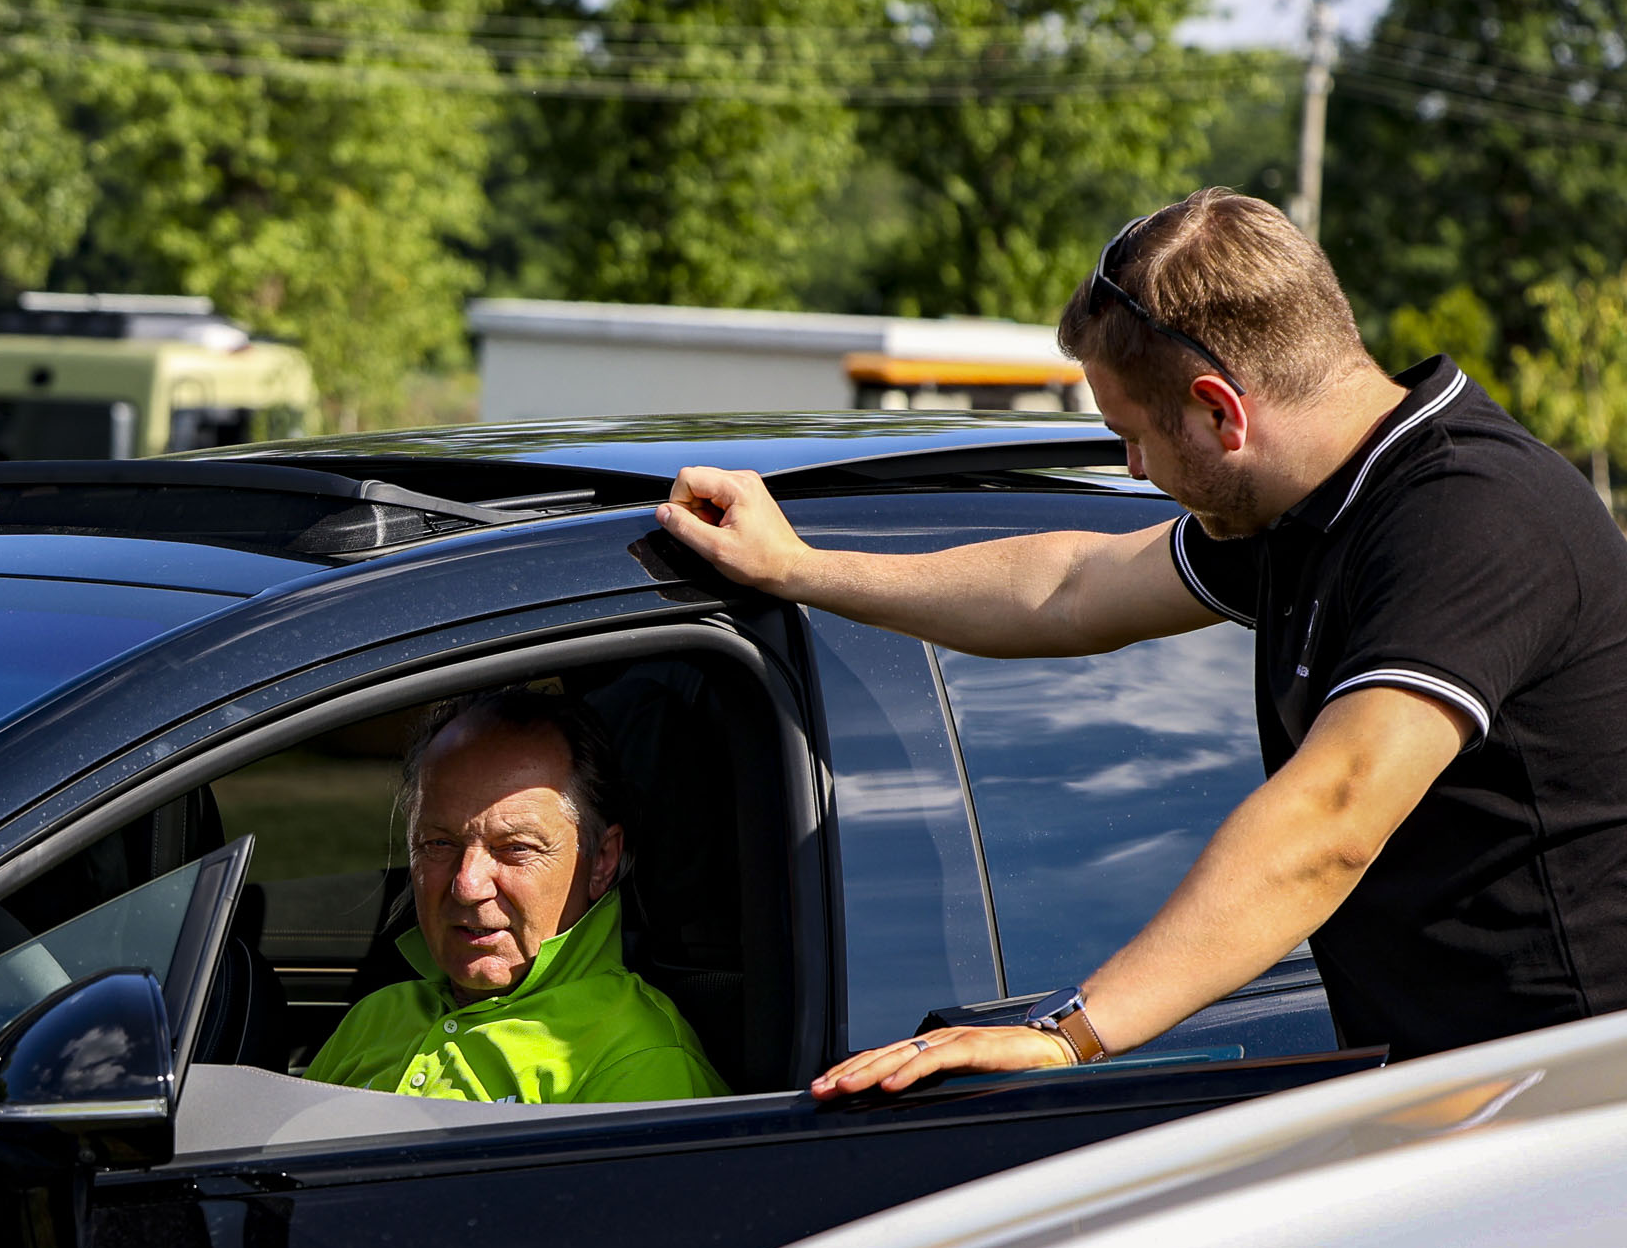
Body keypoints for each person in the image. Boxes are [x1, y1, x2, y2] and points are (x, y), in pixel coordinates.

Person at [658, 188, 1627, 1094]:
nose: (1132, 467)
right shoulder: (1313, 508)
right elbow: (1071, 590)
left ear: (1220, 408)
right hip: (1464, 1093)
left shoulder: (1469, 517)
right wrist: (797, 568)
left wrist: (1072, 1031)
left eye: (1133, 435)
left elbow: (1333, 813)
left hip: (1577, 1107)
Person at [305, 687, 727, 1104]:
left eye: (516, 848)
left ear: (601, 860)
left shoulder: (636, 1059)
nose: (468, 886)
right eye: (438, 843)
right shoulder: (376, 1015)